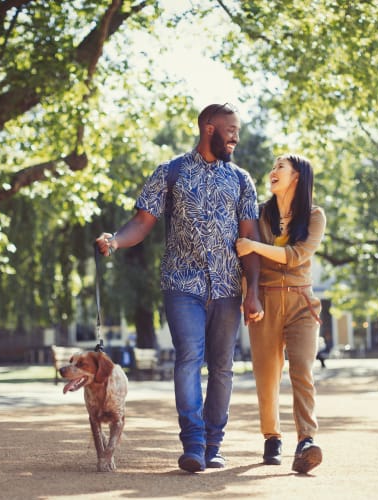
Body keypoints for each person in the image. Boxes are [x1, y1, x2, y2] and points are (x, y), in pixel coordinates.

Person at [96, 103, 263, 473]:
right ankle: (194, 444)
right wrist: (116, 242)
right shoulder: (170, 172)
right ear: (208, 128)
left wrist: (253, 291)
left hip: (226, 286)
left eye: (237, 131)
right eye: (230, 129)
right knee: (189, 358)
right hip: (181, 282)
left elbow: (250, 239)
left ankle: (214, 445)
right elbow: (142, 223)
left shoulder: (240, 180)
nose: (235, 137)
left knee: (222, 366)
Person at [236, 153, 326, 474]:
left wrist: (254, 245)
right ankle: (272, 436)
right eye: (272, 166)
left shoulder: (315, 216)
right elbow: (249, 265)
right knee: (267, 373)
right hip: (266, 301)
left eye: (280, 168)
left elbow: (297, 255)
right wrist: (251, 297)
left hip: (302, 303)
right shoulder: (259, 215)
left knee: (302, 370)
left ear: (297, 176)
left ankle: (306, 440)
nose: (272, 171)